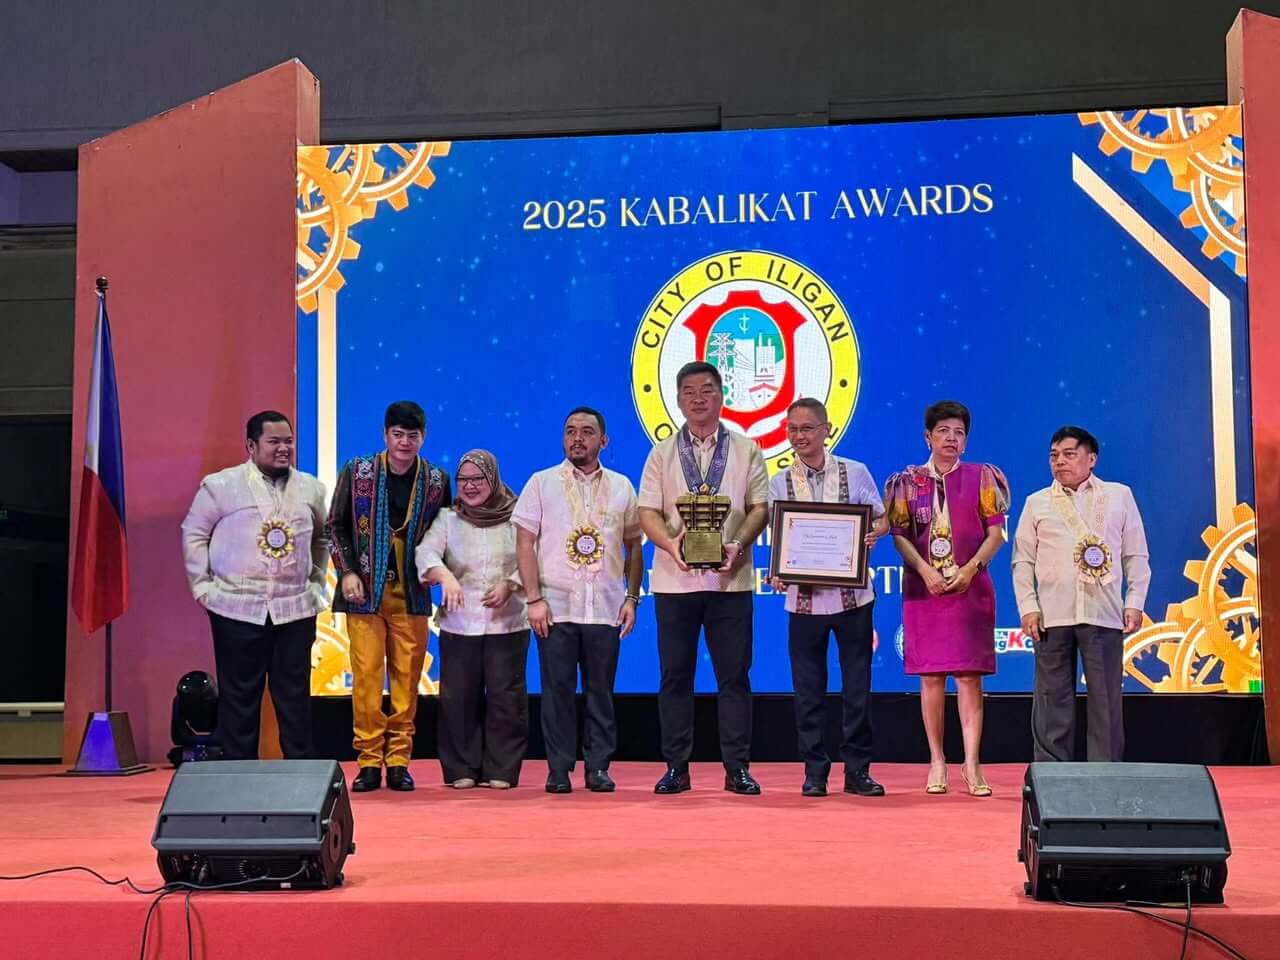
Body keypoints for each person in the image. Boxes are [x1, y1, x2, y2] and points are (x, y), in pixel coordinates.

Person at [638, 361, 770, 795]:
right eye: (690, 391)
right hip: (674, 584)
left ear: (721, 397)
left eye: (707, 390)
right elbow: (648, 513)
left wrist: (737, 546)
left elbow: (759, 509)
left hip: (731, 582)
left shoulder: (747, 449)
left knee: (734, 677)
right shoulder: (660, 453)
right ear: (678, 400)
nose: (698, 398)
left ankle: (738, 768)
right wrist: (671, 546)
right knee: (675, 676)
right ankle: (676, 766)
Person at [181, 410, 328, 760]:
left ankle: (302, 778)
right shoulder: (220, 485)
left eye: (288, 441)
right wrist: (202, 587)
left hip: (294, 609)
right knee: (239, 699)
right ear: (251, 445)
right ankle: (238, 776)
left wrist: (317, 582)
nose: (283, 449)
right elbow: (194, 533)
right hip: (236, 608)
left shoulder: (312, 488)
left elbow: (322, 538)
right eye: (274, 442)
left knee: (295, 698)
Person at [514, 407, 644, 794]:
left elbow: (634, 545)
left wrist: (632, 597)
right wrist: (534, 599)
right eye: (570, 431)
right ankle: (558, 769)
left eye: (587, 432)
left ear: (603, 441)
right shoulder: (541, 483)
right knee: (556, 692)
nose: (577, 438)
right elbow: (524, 543)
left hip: (604, 606)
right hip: (554, 607)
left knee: (600, 691)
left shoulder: (622, 486)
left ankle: (599, 767)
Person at [884, 400, 1010, 797]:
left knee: (970, 678)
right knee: (931, 677)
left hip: (970, 588)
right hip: (925, 589)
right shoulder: (907, 481)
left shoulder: (983, 477)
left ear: (966, 440)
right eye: (943, 432)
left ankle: (972, 764)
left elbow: (996, 534)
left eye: (959, 433)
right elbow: (899, 535)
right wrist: (925, 571)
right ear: (928, 437)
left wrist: (970, 569)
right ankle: (937, 760)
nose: (951, 439)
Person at [326, 401, 450, 792]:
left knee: (407, 680)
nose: (404, 442)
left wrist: (441, 569)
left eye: (412, 436)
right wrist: (345, 571)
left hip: (411, 595)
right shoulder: (358, 470)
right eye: (398, 434)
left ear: (423, 437)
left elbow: (447, 533)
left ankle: (398, 760)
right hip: (363, 593)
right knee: (365, 679)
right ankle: (367, 761)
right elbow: (334, 526)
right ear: (385, 435)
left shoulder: (436, 480)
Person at [769, 398, 889, 798]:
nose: (798, 437)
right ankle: (814, 771)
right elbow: (779, 538)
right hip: (803, 604)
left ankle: (858, 770)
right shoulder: (779, 481)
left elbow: (881, 516)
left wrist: (876, 533)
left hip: (854, 599)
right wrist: (777, 570)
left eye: (806, 428)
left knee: (857, 688)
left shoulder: (855, 473)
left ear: (827, 430)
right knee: (808, 690)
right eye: (792, 430)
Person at [1012, 426, 1150, 762]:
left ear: (1092, 458)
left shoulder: (1119, 496)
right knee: (1051, 700)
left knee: (1105, 702)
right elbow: (1022, 560)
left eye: (1069, 454)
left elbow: (1135, 554)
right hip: (1051, 616)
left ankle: (1105, 778)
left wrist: (1134, 601)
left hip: (1103, 613)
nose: (1059, 462)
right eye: (1054, 455)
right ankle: (1051, 778)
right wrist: (1029, 608)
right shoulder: (1037, 503)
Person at [418, 450, 529, 789]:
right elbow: (426, 551)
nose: (469, 486)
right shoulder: (448, 518)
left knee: (505, 698)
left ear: (492, 479)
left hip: (507, 622)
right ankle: (461, 768)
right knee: (458, 698)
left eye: (477, 479)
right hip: (459, 623)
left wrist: (512, 583)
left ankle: (502, 769)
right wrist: (445, 577)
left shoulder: (517, 515)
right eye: (463, 479)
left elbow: (535, 553)